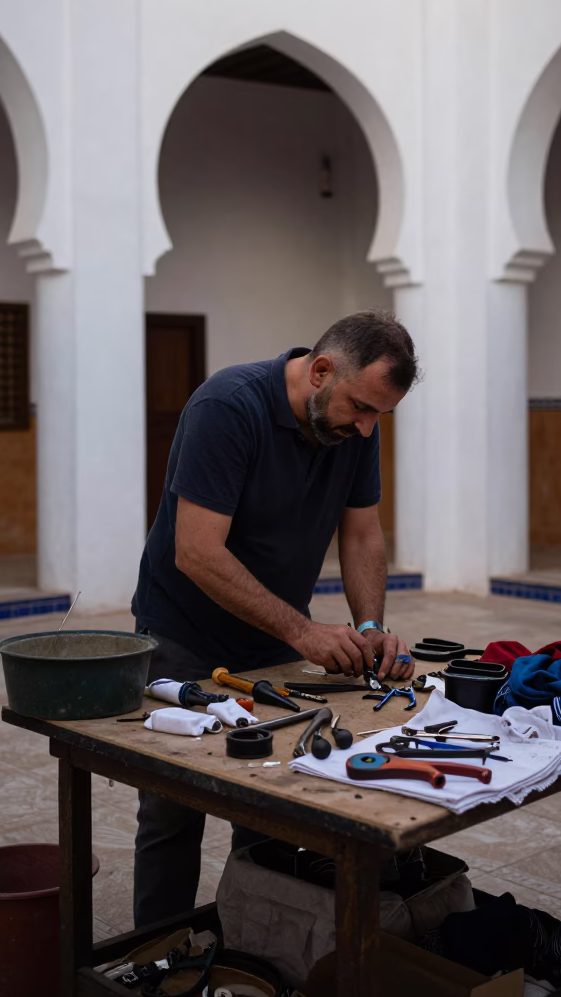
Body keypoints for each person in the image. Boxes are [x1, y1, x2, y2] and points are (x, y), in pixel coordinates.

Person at [131, 309, 420, 926]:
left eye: (380, 416)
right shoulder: (227, 407)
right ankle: (156, 958)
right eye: (362, 407)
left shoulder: (352, 431)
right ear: (319, 371)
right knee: (171, 810)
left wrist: (369, 628)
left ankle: (255, 949)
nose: (368, 429)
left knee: (267, 800)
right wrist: (302, 631)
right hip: (182, 632)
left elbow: (363, 533)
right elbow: (196, 551)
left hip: (273, 636)